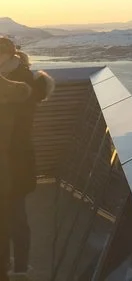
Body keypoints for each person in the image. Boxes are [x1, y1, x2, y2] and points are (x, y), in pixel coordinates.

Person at [0, 36, 46, 281]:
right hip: (10, 163)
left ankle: (19, 270)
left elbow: (15, 124)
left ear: (9, 55)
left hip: (15, 165)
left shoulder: (22, 81)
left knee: (15, 220)